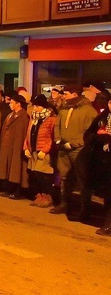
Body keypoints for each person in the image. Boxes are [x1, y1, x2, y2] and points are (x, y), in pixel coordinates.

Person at [51, 84, 98, 217]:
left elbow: (88, 132)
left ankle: (84, 208)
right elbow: (57, 125)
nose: (63, 96)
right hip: (63, 148)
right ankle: (65, 203)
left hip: (78, 150)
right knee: (65, 177)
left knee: (82, 179)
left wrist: (73, 144)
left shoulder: (88, 110)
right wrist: (58, 140)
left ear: (75, 95)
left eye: (66, 94)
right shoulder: (64, 109)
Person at [85, 92, 111, 235]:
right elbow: (88, 134)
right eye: (110, 103)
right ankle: (108, 222)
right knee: (107, 194)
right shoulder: (102, 118)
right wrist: (98, 138)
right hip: (104, 161)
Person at [0, 94, 30, 199]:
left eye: (12, 102)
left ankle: (17, 190)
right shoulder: (10, 115)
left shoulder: (23, 116)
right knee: (7, 167)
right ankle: (9, 188)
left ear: (18, 104)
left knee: (16, 168)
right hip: (8, 145)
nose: (9, 104)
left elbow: (22, 133)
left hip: (16, 146)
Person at [24, 94, 57, 208]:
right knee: (35, 175)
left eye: (37, 106)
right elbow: (28, 134)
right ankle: (39, 196)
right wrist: (26, 147)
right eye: (34, 106)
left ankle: (47, 196)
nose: (34, 109)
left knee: (42, 174)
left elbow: (51, 137)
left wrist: (45, 150)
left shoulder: (51, 119)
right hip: (33, 150)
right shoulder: (34, 119)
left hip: (43, 151)